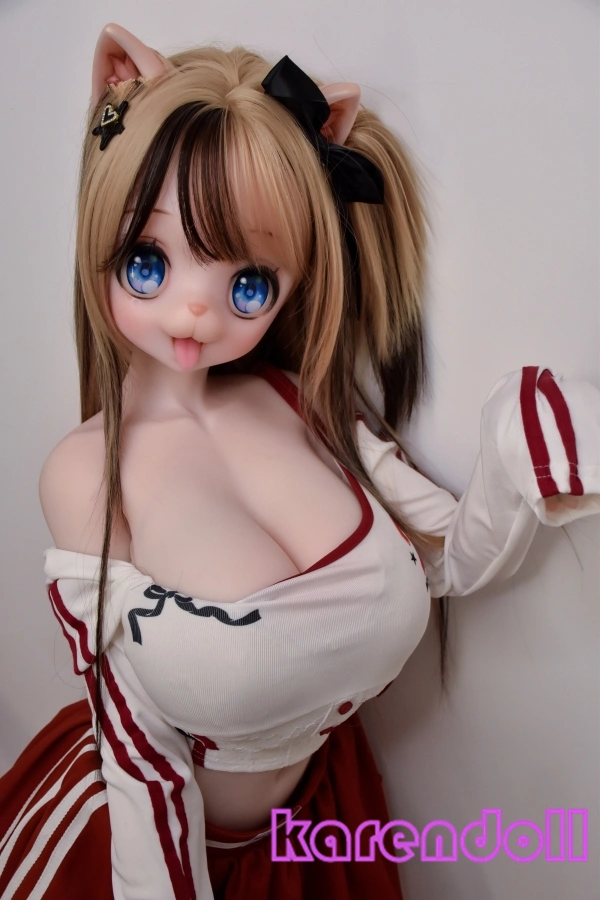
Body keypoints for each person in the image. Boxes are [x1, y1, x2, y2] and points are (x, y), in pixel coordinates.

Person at [0, 22, 598, 900]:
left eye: (248, 284)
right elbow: (133, 742)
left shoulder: (303, 405)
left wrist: (523, 446)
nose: (194, 312)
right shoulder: (85, 472)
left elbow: (444, 561)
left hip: (322, 826)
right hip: (151, 851)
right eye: (147, 262)